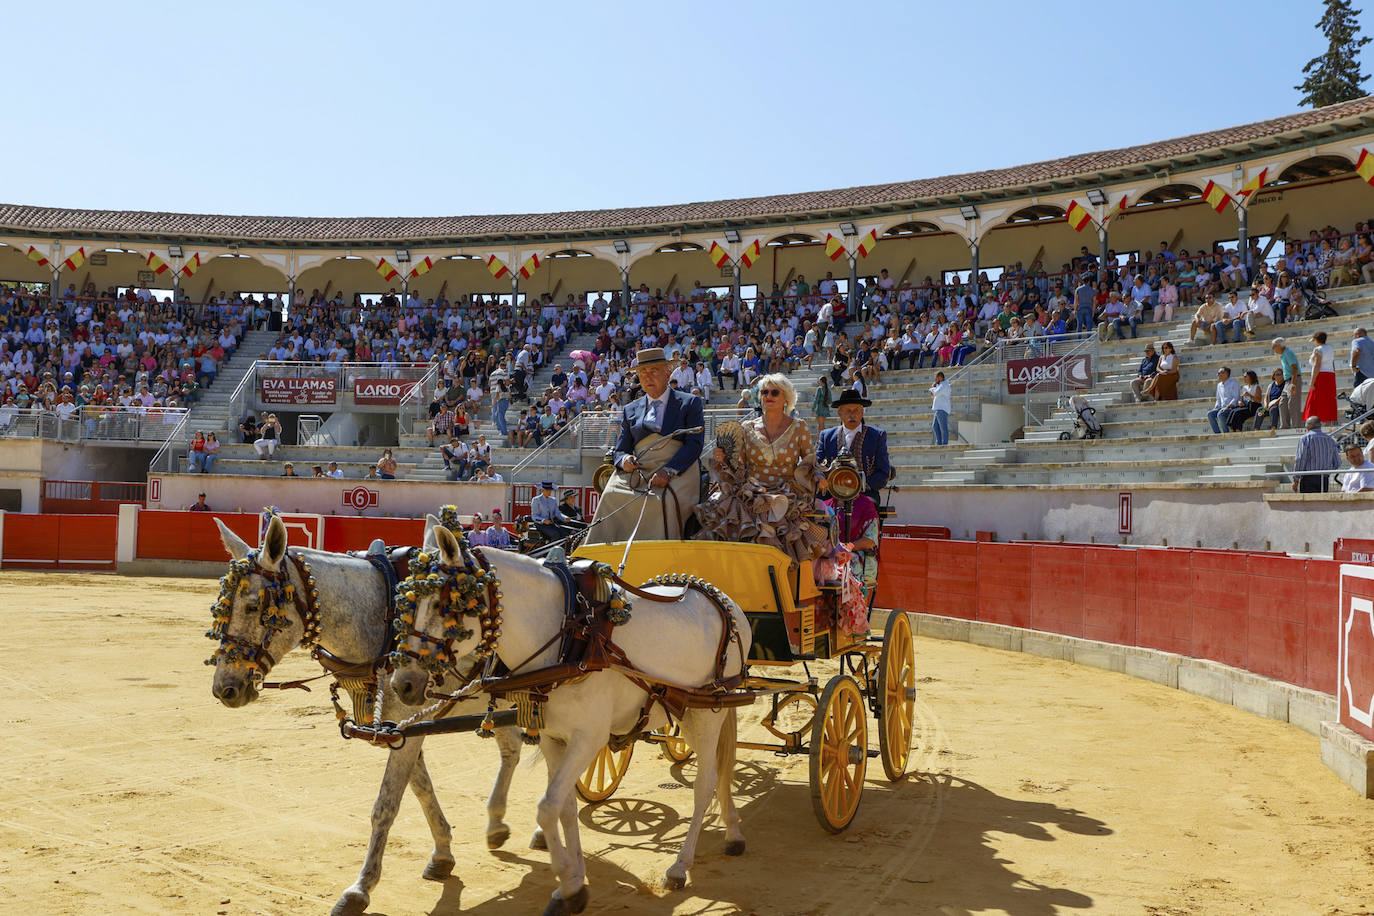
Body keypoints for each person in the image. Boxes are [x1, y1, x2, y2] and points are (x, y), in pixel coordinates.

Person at [694, 373, 828, 565]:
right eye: (764, 392)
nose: (768, 396)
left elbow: (810, 461)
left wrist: (818, 475)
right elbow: (738, 467)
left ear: (786, 399)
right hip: (752, 495)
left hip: (787, 497)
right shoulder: (747, 427)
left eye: (774, 392)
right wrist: (722, 459)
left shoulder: (799, 427)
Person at [584, 347, 705, 544]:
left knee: (662, 501)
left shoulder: (690, 403)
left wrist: (669, 470)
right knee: (610, 495)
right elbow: (621, 448)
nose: (647, 377)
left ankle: (659, 557)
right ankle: (601, 556)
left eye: (654, 371)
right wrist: (624, 460)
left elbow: (694, 445)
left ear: (667, 374)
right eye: (643, 373)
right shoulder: (631, 409)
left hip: (678, 469)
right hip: (639, 469)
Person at [817, 387, 892, 508]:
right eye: (848, 411)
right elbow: (817, 465)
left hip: (865, 492)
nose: (852, 415)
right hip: (831, 493)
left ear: (862, 412)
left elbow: (883, 473)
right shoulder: (826, 436)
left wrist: (858, 486)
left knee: (867, 506)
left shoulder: (877, 436)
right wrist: (822, 478)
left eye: (856, 410)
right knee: (816, 507)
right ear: (839, 413)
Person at [1291, 417, 1341, 493]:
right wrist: (1326, 469)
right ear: (1320, 426)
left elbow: (1300, 460)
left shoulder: (1305, 438)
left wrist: (1296, 479)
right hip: (1324, 478)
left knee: (1309, 504)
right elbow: (1337, 463)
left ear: (1307, 427)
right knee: (1321, 503)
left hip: (1308, 478)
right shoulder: (1330, 440)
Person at [1303, 331, 1338, 423]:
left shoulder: (1318, 349)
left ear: (1316, 340)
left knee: (1315, 399)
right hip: (1330, 375)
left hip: (1320, 376)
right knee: (1328, 399)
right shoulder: (1330, 348)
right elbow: (1332, 363)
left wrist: (1312, 381)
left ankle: (1313, 422)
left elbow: (1317, 365)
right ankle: (1328, 422)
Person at [1272, 338, 1304, 429]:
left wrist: (1293, 384)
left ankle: (1295, 426)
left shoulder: (1288, 353)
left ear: (1279, 345)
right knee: (1282, 403)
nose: (1273, 348)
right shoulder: (1284, 355)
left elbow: (1295, 368)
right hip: (1287, 381)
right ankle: (1285, 426)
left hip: (1293, 380)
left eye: (1274, 346)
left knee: (1293, 403)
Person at [1207, 367, 1242, 434]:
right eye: (1218, 373)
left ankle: (1226, 433)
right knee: (1210, 414)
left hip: (1232, 407)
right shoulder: (1219, 385)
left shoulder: (1233, 383)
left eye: (1220, 373)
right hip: (1222, 407)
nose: (1218, 374)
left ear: (1226, 374)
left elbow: (1236, 397)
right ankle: (1217, 433)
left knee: (1220, 414)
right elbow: (1218, 399)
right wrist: (1216, 406)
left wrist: (1227, 407)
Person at [930, 371, 951, 446]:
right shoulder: (940, 385)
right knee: (935, 426)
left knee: (943, 428)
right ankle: (939, 443)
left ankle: (945, 443)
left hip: (942, 409)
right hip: (938, 409)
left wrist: (932, 388)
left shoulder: (944, 385)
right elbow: (933, 395)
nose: (936, 379)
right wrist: (934, 388)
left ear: (940, 377)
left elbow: (936, 393)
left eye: (937, 377)